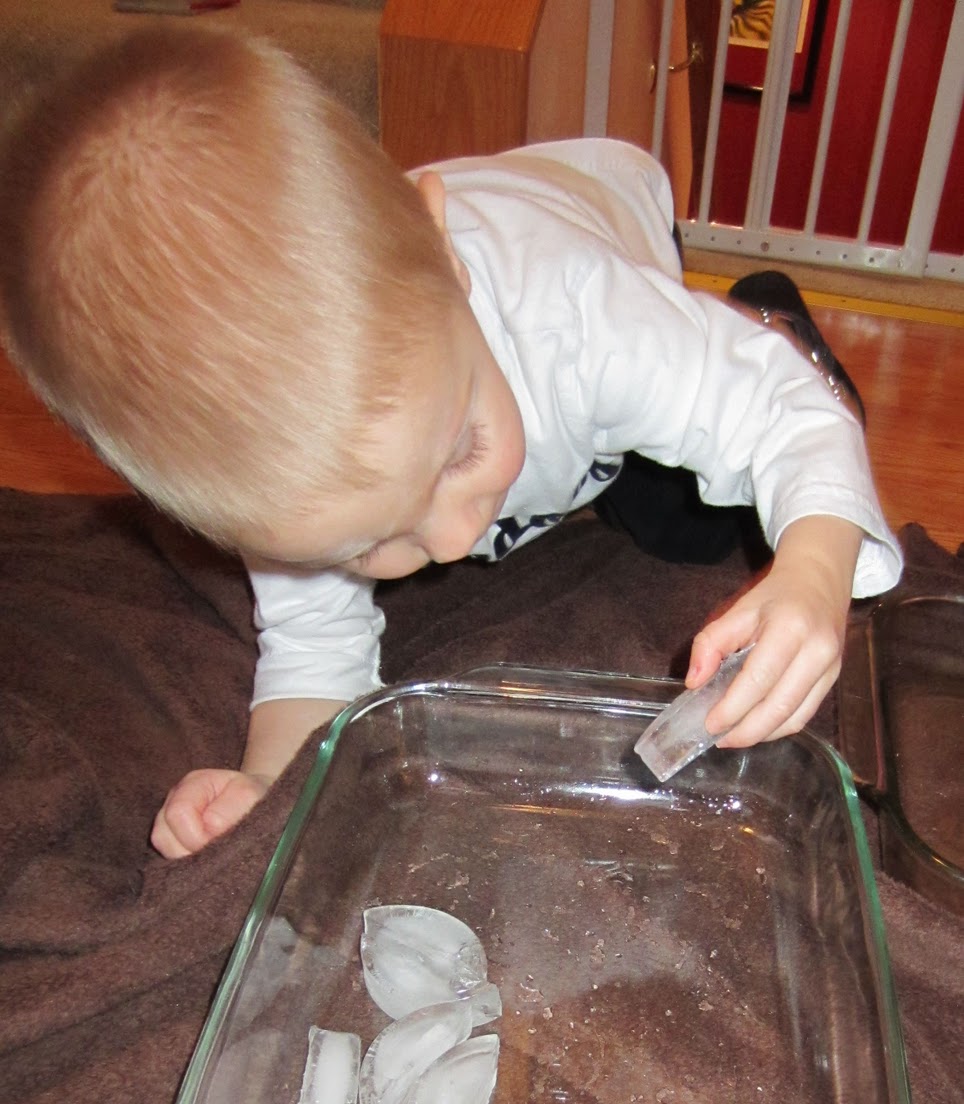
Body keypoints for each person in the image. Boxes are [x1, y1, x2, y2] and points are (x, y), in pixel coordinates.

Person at [0, 27, 902, 859]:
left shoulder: (583, 320)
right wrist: (270, 785)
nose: (453, 543)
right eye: (366, 544)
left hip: (609, 222)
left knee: (692, 520)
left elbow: (790, 418)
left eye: (458, 454)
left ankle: (760, 312)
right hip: (496, 333)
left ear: (448, 262)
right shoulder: (282, 472)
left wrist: (816, 569)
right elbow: (314, 651)